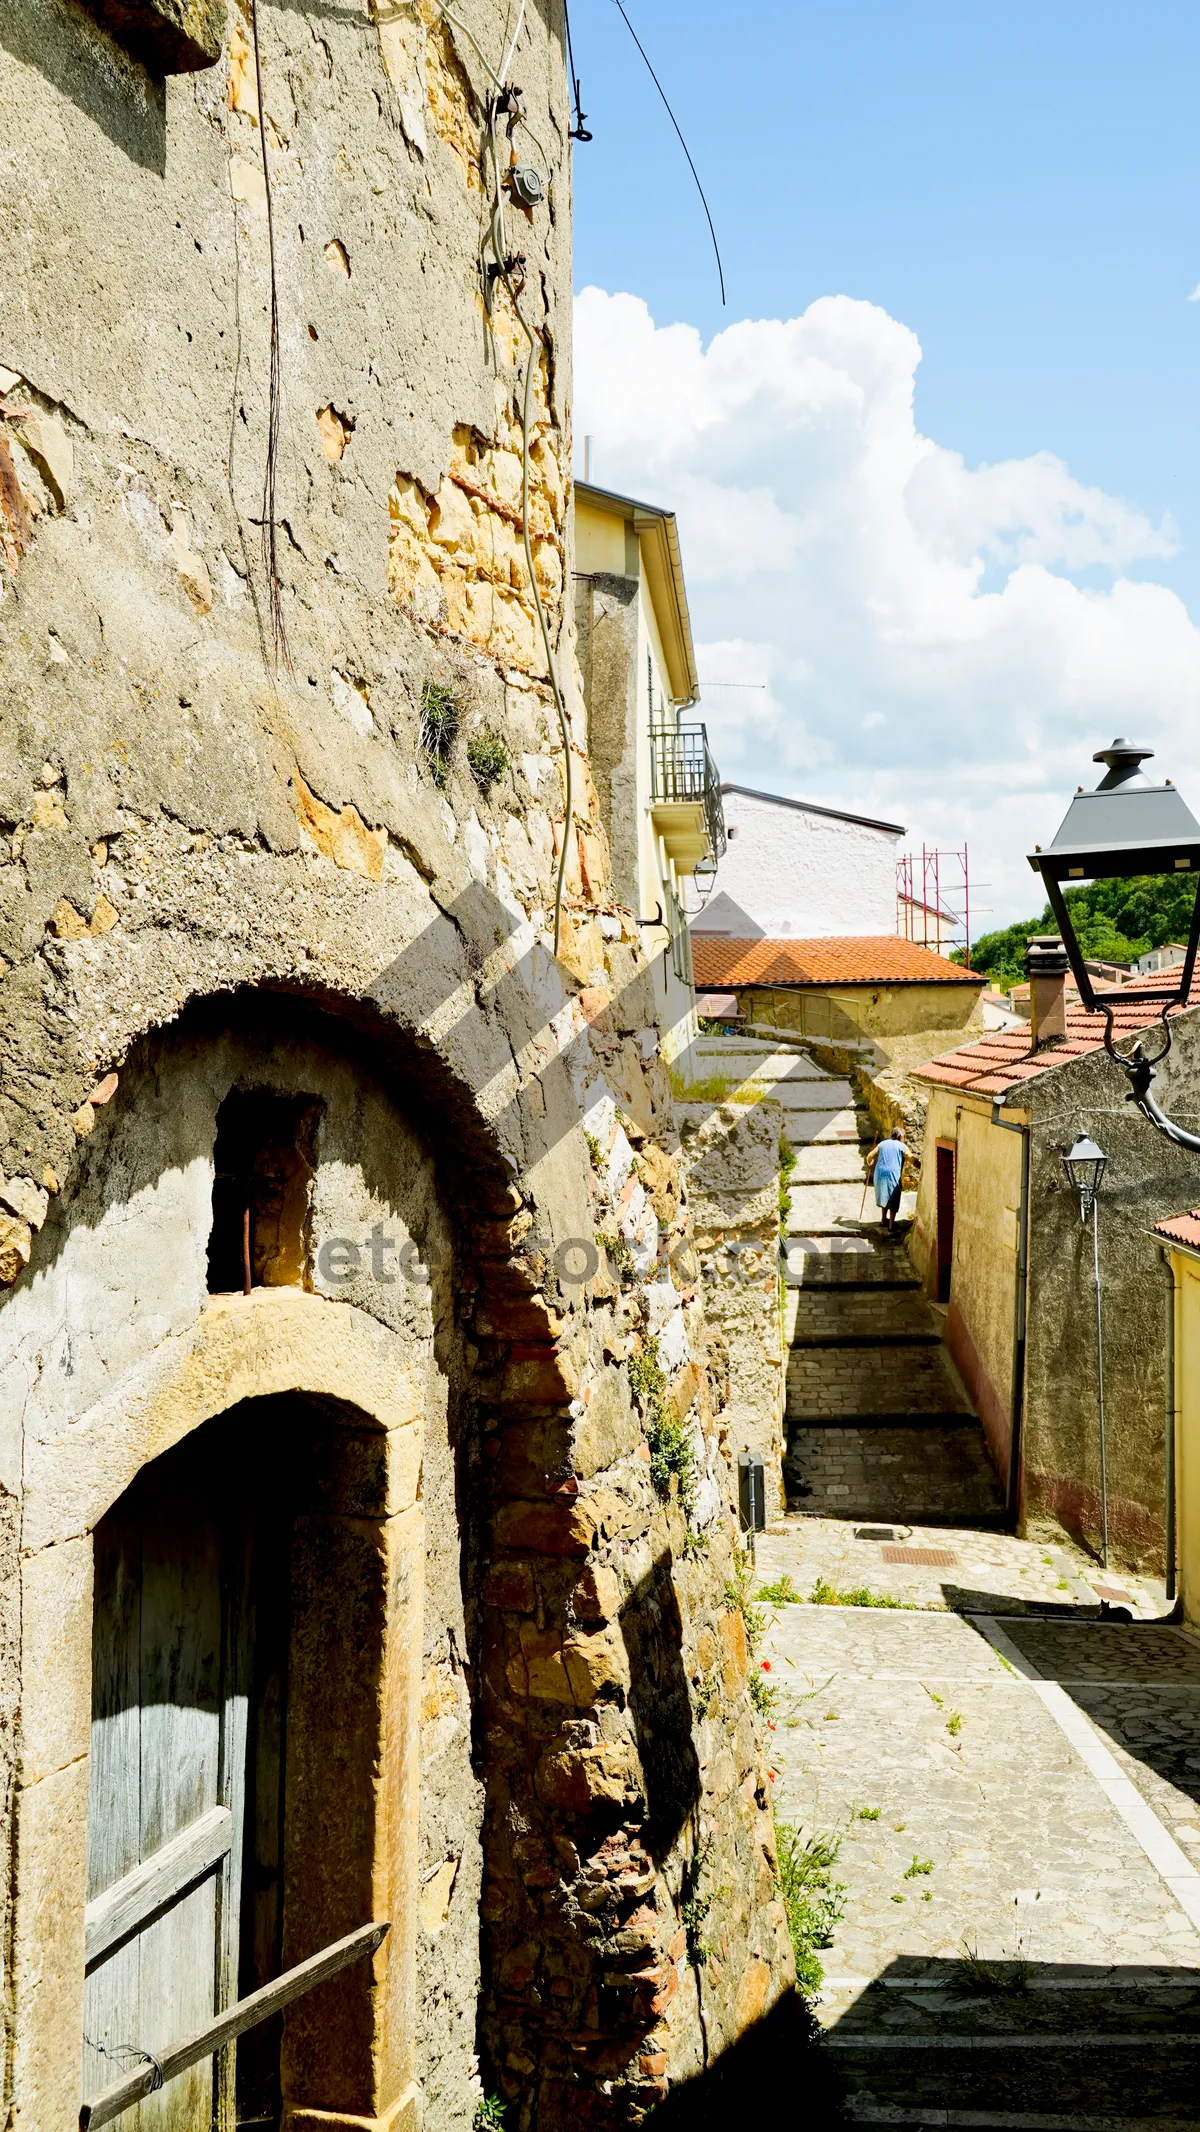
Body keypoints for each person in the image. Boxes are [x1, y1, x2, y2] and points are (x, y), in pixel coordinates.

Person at [866, 1131, 912, 1236]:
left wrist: (870, 1162)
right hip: (893, 1174)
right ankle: (891, 1225)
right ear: (900, 1137)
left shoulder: (882, 1144)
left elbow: (869, 1156)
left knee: (884, 1195)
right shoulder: (902, 1146)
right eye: (903, 1137)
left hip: (880, 1173)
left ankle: (883, 1220)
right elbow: (910, 1158)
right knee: (893, 1197)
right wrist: (920, 1165)